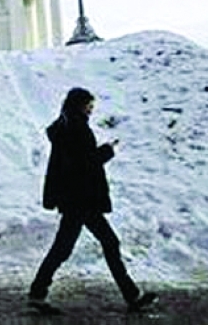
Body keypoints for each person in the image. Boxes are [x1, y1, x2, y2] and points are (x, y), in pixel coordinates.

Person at [29, 88, 158, 313]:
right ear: (80, 105)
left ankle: (38, 293)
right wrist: (107, 151)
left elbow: (75, 162)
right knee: (101, 243)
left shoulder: (66, 126)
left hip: (76, 199)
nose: (91, 109)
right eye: (89, 105)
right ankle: (131, 296)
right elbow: (84, 164)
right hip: (81, 199)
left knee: (67, 248)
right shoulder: (76, 128)